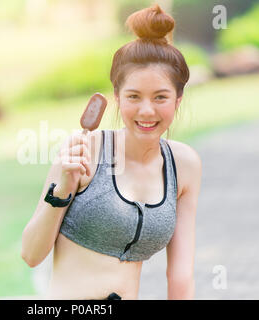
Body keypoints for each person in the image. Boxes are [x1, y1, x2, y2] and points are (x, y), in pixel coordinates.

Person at [21, 3, 202, 300]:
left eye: (160, 97)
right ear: (117, 97)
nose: (147, 110)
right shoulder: (85, 150)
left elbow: (181, 275)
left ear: (178, 100)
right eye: (134, 96)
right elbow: (30, 254)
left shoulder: (184, 165)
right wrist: (65, 185)